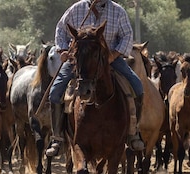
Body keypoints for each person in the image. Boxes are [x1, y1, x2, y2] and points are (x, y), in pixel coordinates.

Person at [45, 0, 145, 157]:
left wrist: (114, 55)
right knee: (55, 91)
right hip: (79, 59)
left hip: (109, 57)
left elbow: (127, 36)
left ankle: (133, 132)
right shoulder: (76, 9)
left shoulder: (117, 11)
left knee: (137, 86)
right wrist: (63, 50)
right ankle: (57, 138)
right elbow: (60, 30)